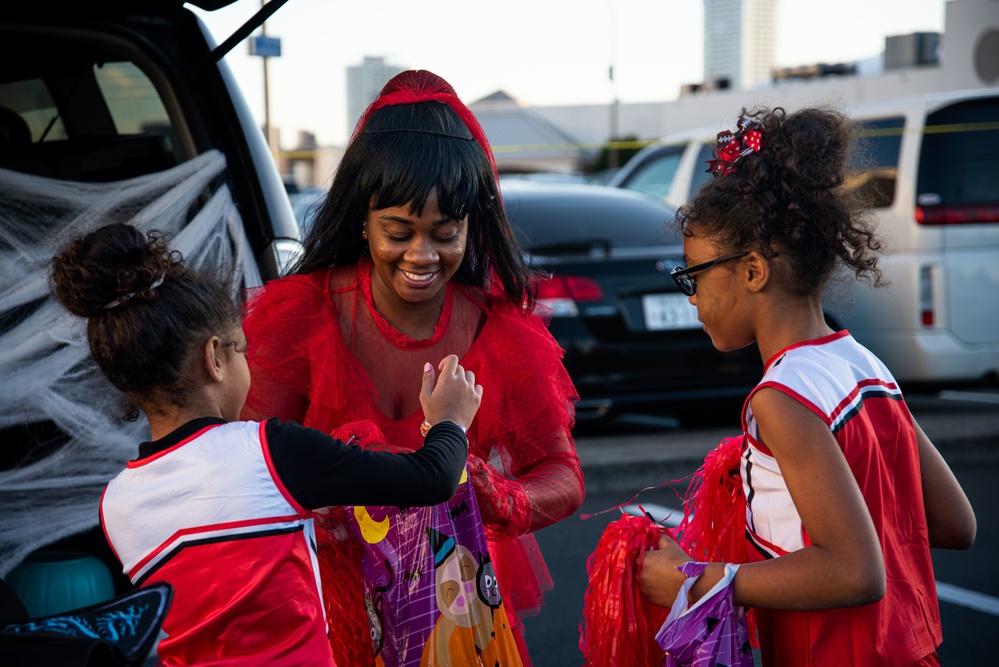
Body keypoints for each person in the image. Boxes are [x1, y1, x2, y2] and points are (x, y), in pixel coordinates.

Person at [240, 69, 584, 666]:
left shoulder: (499, 331)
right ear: (362, 220)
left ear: (472, 227)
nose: (422, 257)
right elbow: (246, 462)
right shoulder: (301, 316)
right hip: (325, 605)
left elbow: (562, 474)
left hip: (456, 612)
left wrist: (499, 496)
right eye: (398, 232)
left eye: (444, 235)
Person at [49, 222, 482, 667]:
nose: (247, 362)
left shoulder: (116, 503)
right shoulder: (269, 451)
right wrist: (450, 419)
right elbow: (433, 478)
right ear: (214, 358)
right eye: (242, 349)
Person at [638, 107, 977, 666]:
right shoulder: (864, 363)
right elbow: (952, 522)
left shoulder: (780, 399)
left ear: (752, 271)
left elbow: (854, 571)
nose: (691, 295)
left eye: (693, 274)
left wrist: (702, 581)